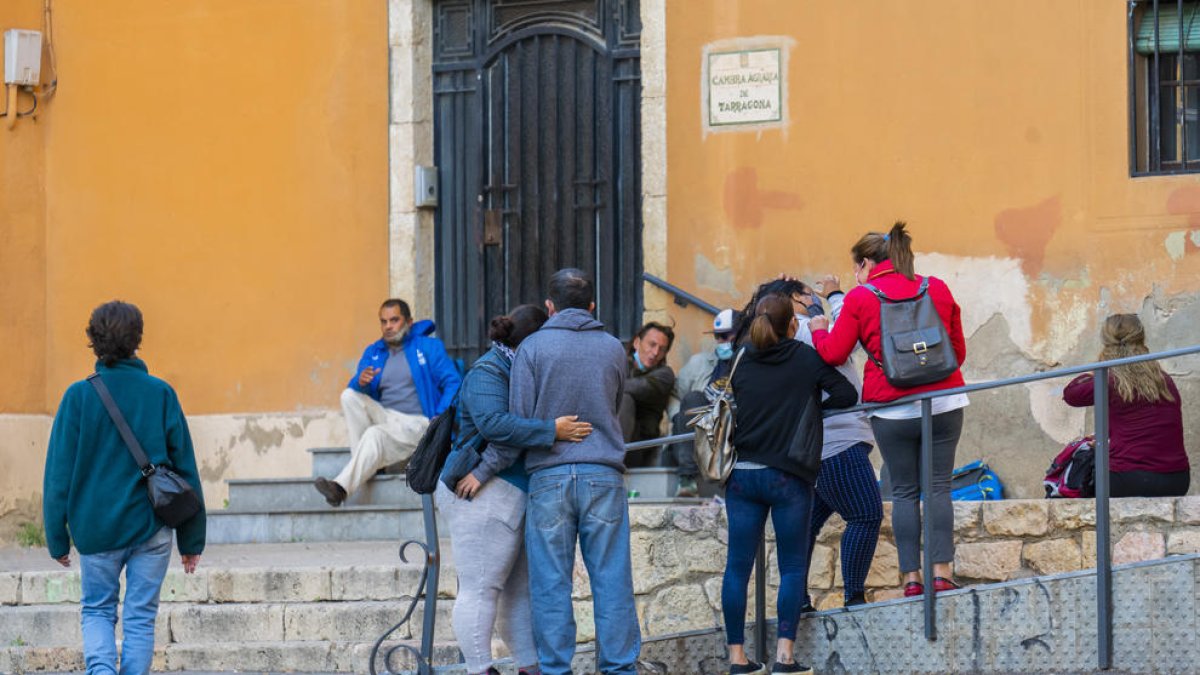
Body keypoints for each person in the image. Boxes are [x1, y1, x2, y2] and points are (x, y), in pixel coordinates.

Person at [42, 301, 206, 675]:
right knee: (141, 616)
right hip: (152, 528)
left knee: (98, 609)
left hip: (96, 529)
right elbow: (186, 469)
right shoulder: (161, 393)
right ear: (137, 339)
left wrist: (56, 538)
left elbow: (57, 477)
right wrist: (191, 540)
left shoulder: (77, 397)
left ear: (93, 341)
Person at [809, 221, 968, 598]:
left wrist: (818, 328)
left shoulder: (861, 298)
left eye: (856, 268)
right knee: (940, 487)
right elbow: (957, 351)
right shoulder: (937, 287)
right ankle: (942, 572)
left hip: (892, 408)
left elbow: (833, 352)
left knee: (905, 493)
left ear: (865, 264)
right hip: (944, 402)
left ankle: (912, 579)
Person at [435, 305, 593, 675]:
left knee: (516, 592)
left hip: (512, 491)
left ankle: (530, 668)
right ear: (534, 340)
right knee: (481, 587)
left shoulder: (521, 368)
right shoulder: (489, 371)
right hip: (480, 491)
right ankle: (480, 669)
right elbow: (496, 425)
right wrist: (550, 430)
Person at [510, 268, 641, 675]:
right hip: (603, 472)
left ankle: (555, 670)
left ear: (549, 307)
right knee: (612, 581)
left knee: (551, 584)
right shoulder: (613, 349)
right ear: (591, 306)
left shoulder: (531, 348)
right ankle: (619, 668)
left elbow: (519, 419)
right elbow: (618, 402)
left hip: (548, 475)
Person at [723, 293, 857, 675]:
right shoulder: (803, 357)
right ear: (792, 326)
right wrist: (813, 408)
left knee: (736, 569)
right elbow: (847, 393)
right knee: (792, 567)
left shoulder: (741, 357)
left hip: (742, 475)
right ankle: (784, 658)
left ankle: (738, 660)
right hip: (788, 476)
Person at [788, 275, 882, 610]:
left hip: (829, 443)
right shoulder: (803, 331)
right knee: (866, 514)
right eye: (805, 295)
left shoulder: (807, 331)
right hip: (837, 441)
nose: (812, 299)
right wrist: (833, 295)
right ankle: (854, 598)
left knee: (807, 523)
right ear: (793, 304)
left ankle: (796, 598)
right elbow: (850, 332)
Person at [315, 298, 461, 506]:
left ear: (408, 322)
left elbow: (453, 382)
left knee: (374, 434)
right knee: (348, 395)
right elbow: (358, 390)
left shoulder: (429, 347)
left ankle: (340, 487)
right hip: (386, 418)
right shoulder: (374, 352)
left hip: (418, 422)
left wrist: (439, 417)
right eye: (383, 322)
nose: (388, 326)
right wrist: (360, 382)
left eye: (394, 320)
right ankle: (367, 465)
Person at [1063, 314, 1190, 497]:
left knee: (1078, 475)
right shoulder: (1164, 380)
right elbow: (1144, 424)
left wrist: (1098, 369)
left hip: (1127, 479)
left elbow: (1071, 394)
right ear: (1141, 338)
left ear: (1105, 342)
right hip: (1177, 480)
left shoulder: (1109, 381)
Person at [667, 308, 741, 497]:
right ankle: (687, 478)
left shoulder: (750, 365)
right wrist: (678, 418)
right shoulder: (698, 363)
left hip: (734, 435)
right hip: (700, 433)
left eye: (725, 336)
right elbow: (675, 395)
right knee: (692, 398)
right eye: (717, 336)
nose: (720, 342)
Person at [619, 322, 676, 466]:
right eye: (652, 345)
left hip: (639, 445)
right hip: (607, 436)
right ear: (637, 343)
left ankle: (614, 458)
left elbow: (638, 388)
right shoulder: (619, 364)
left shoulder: (665, 375)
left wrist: (608, 386)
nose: (656, 353)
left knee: (625, 399)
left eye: (662, 349)